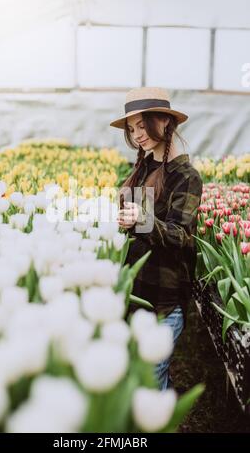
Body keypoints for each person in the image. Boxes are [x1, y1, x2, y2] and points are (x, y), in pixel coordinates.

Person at [110, 87, 203, 390]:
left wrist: (142, 219)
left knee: (150, 382)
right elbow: (138, 226)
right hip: (136, 291)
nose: (137, 135)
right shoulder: (143, 166)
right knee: (138, 377)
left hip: (163, 300)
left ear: (164, 121)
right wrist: (126, 220)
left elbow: (180, 235)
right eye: (132, 128)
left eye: (143, 125)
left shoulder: (186, 177)